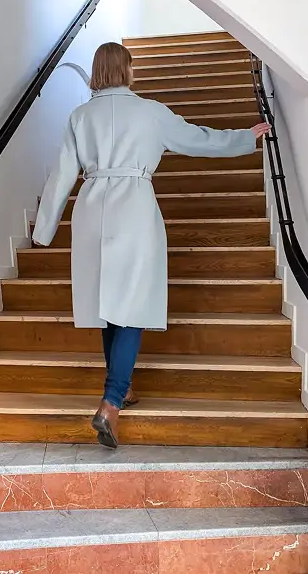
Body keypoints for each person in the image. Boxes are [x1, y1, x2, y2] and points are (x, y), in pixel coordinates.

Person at [32, 42, 270, 448]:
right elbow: (197, 139)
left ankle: (121, 388)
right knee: (133, 304)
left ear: (97, 71)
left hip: (91, 208)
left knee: (107, 304)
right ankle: (110, 403)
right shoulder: (150, 111)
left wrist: (44, 231)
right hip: (134, 208)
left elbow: (61, 174)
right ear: (127, 70)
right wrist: (243, 138)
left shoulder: (79, 116)